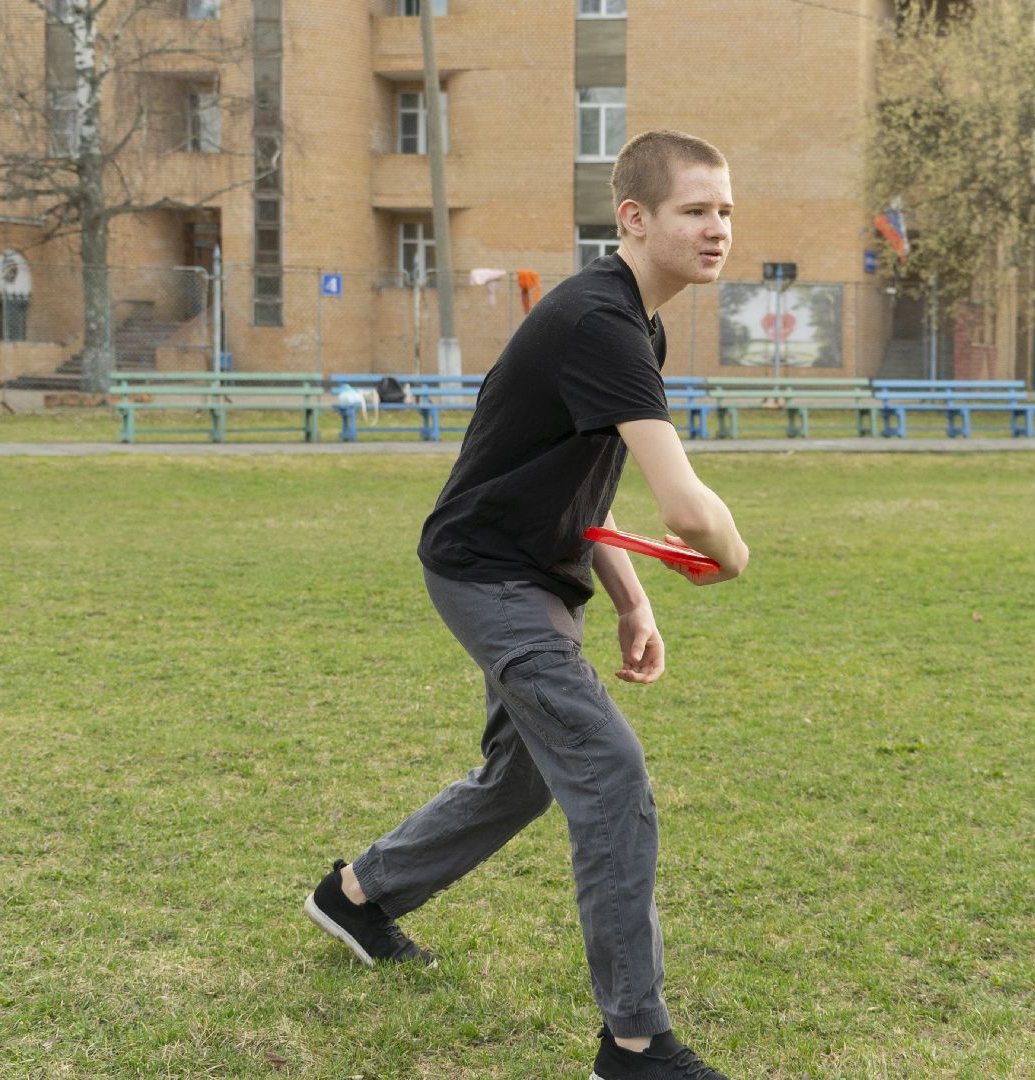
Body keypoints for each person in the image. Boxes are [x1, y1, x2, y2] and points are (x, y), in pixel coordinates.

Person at [304, 130, 749, 1080]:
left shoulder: (634, 323)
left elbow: (588, 477)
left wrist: (631, 596)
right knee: (609, 771)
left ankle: (358, 894)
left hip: (535, 573)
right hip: (488, 575)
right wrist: (733, 548)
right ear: (635, 219)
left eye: (725, 212)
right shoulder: (600, 321)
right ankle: (635, 1044)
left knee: (525, 776)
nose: (718, 230)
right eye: (696, 211)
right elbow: (686, 507)